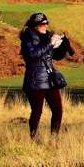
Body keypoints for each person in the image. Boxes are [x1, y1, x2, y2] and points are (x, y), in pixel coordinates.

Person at [20, 12, 65, 140]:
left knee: (58, 110)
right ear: (34, 26)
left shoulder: (48, 36)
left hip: (50, 80)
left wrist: (63, 45)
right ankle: (34, 138)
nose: (45, 26)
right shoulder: (27, 38)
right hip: (34, 81)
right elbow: (32, 54)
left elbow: (54, 56)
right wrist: (50, 43)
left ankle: (54, 139)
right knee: (37, 112)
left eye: (46, 23)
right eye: (42, 24)